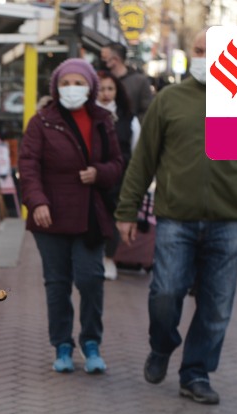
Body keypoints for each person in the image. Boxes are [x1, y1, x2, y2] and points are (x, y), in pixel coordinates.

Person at [113, 28, 237, 406]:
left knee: (217, 305)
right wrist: (127, 209)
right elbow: (144, 160)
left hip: (229, 222)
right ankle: (163, 344)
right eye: (200, 50)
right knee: (165, 292)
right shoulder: (169, 100)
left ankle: (196, 373)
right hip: (176, 220)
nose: (204, 57)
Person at [18, 57, 124, 374]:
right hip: (50, 217)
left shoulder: (104, 120)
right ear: (56, 87)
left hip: (90, 216)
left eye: (78, 83)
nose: (72, 89)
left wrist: (100, 172)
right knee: (57, 283)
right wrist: (37, 202)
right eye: (65, 83)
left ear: (90, 86)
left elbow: (118, 163)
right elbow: (28, 166)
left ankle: (91, 342)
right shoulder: (41, 122)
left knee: (91, 279)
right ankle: (62, 345)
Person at [95, 69, 138, 280]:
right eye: (101, 88)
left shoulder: (128, 119)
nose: (105, 93)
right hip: (92, 179)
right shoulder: (87, 116)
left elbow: (135, 149)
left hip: (119, 180)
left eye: (110, 88)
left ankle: (109, 258)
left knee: (113, 219)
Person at [100, 43, 154, 125]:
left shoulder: (140, 81)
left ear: (115, 59)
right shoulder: (101, 79)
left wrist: (131, 126)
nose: (101, 61)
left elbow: (147, 111)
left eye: (104, 58)